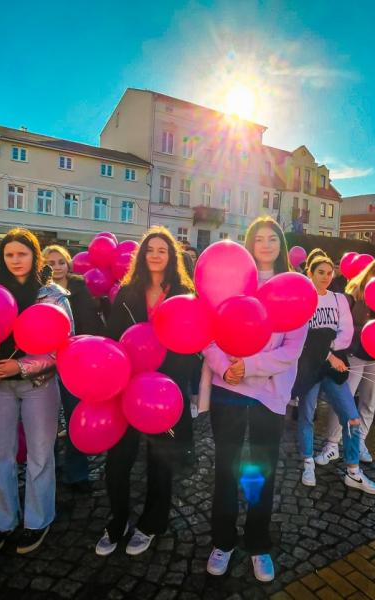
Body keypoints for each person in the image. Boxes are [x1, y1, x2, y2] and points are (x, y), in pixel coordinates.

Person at [202, 216, 307, 583]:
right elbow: (208, 332)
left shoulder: (295, 287)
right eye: (258, 238)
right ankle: (223, 541)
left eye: (272, 238)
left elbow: (291, 349)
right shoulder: (230, 282)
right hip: (228, 392)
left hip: (269, 396)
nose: (265, 244)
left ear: (280, 244)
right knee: (225, 471)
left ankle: (258, 543)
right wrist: (224, 366)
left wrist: (248, 366)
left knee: (262, 473)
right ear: (249, 244)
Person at [0, 228, 73, 556]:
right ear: (2, 258)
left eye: (22, 254)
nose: (16, 260)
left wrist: (20, 367)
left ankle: (38, 521)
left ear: (34, 255)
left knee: (40, 454)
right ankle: (2, 522)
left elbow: (61, 344)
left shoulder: (52, 294)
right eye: (9, 255)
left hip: (38, 385)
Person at [95, 227, 200, 557]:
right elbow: (113, 337)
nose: (156, 255)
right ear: (142, 255)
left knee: (161, 460)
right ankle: (118, 520)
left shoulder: (184, 292)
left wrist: (175, 381)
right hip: (127, 386)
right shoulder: (128, 292)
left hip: (166, 391)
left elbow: (192, 343)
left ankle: (152, 523)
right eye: (150, 249)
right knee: (118, 460)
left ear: (171, 257)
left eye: (162, 250)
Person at [293, 254, 375, 494]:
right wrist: (328, 352)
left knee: (351, 417)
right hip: (310, 367)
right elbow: (302, 336)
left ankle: (353, 470)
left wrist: (329, 351)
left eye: (330, 273)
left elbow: (346, 332)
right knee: (307, 415)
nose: (326, 277)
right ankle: (308, 461)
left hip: (334, 367)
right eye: (320, 272)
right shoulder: (303, 298)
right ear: (310, 273)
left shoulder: (339, 299)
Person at [43, 245, 103, 493]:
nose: (56, 267)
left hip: (74, 364)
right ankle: (51, 468)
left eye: (60, 262)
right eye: (50, 263)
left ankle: (77, 473)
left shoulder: (79, 290)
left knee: (75, 419)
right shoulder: (38, 291)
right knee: (46, 422)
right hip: (43, 364)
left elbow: (90, 325)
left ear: (68, 264)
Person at [317, 258, 375, 469]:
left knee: (369, 400)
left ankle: (359, 443)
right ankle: (331, 444)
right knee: (343, 399)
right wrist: (367, 329)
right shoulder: (354, 296)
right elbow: (344, 326)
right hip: (356, 353)